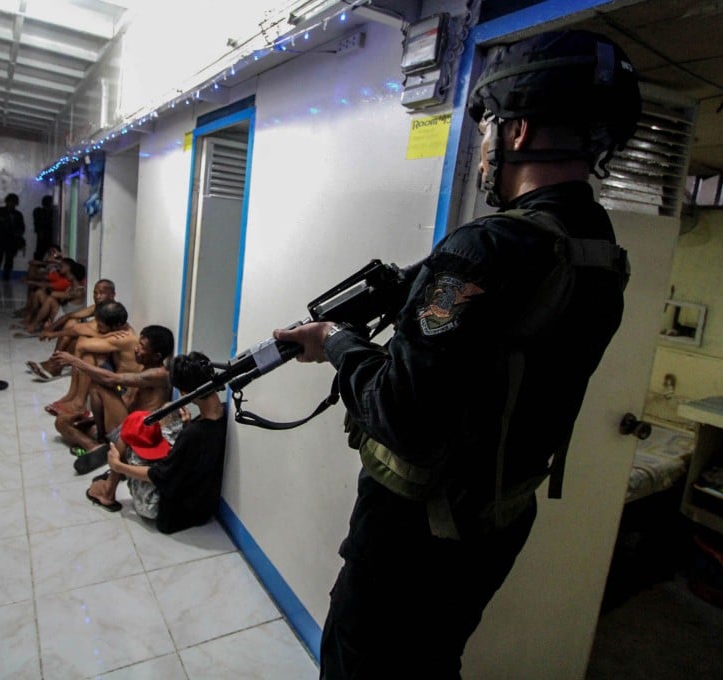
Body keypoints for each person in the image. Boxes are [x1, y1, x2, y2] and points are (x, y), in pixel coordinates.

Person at [273, 30, 641, 678]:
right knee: (433, 660)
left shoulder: (484, 247)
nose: (483, 154)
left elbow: (400, 415)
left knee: (361, 661)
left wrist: (336, 344)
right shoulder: (599, 251)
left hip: (414, 536)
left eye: (489, 130)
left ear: (517, 132)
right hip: (496, 522)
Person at [87, 351, 227, 535]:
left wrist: (119, 466)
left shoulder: (194, 434)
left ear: (185, 392)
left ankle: (107, 491)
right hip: (202, 507)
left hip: (170, 512)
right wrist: (186, 427)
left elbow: (160, 476)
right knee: (166, 411)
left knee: (130, 431)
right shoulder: (224, 413)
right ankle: (115, 475)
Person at [54, 323, 174, 475]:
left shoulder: (159, 375)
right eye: (138, 344)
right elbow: (126, 401)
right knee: (62, 422)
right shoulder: (145, 367)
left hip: (133, 434)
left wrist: (75, 361)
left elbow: (111, 379)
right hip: (121, 426)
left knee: (99, 385)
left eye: (142, 347)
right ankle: (95, 447)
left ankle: (102, 442)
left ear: (157, 355)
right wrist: (96, 419)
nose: (136, 349)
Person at [27, 278, 117, 380]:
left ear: (112, 294)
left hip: (107, 351)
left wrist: (54, 334)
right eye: (95, 293)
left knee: (75, 337)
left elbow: (82, 329)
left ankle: (54, 365)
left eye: (102, 293)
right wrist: (50, 330)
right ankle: (53, 363)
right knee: (72, 322)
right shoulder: (97, 307)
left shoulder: (111, 310)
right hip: (97, 341)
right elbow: (69, 316)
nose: (97, 296)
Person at [0, 192, 26, 281]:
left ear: (16, 203)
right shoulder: (0, 210)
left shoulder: (17, 214)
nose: (11, 204)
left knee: (9, 260)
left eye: (13, 202)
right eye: (10, 201)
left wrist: (17, 232)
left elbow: (22, 228)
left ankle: (6, 276)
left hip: (12, 240)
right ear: (6, 201)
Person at [32, 194, 57, 261]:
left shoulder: (53, 213)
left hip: (50, 236)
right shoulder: (39, 211)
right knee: (40, 254)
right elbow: (39, 223)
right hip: (44, 237)